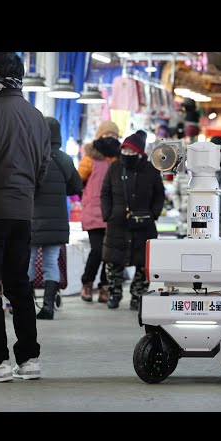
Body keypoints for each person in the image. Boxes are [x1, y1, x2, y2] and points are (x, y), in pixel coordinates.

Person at [0, 52, 50, 381]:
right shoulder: (36, 115)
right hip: (22, 212)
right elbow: (43, 165)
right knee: (19, 286)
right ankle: (29, 359)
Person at [101, 130, 165, 311]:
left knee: (144, 263)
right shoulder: (114, 168)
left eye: (131, 151)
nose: (127, 154)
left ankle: (137, 296)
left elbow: (159, 195)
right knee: (113, 262)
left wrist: (153, 213)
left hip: (144, 223)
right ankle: (114, 294)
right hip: (117, 222)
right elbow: (105, 193)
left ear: (140, 152)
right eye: (125, 150)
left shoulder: (151, 169)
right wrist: (108, 214)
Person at [29, 118, 83, 320]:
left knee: (29, 262)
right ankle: (48, 307)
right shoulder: (64, 159)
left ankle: (26, 307)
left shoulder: (31, 157)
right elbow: (76, 187)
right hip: (57, 221)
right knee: (51, 262)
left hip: (32, 220)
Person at [78, 120, 121, 303]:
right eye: (107, 134)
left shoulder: (120, 157)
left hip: (114, 211)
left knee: (110, 253)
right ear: (99, 135)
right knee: (97, 250)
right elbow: (79, 179)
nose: (110, 138)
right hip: (94, 211)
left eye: (114, 135)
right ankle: (87, 283)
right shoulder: (90, 156)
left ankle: (105, 286)